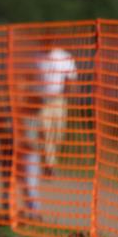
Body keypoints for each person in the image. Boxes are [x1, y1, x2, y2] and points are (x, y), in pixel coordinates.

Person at [37, 45, 78, 178]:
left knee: (58, 134)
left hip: (59, 100)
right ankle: (49, 165)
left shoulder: (64, 56)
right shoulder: (37, 57)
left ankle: (49, 159)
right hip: (43, 101)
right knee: (45, 131)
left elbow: (71, 79)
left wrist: (68, 96)